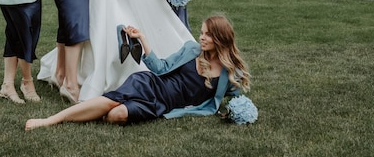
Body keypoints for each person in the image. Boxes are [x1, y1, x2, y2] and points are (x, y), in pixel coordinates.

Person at [25, 14, 251, 130]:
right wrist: (142, 39)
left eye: (208, 34)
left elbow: (235, 98)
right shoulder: (191, 50)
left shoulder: (229, 75)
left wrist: (236, 111)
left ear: (220, 38)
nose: (201, 37)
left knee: (116, 115)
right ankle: (49, 120)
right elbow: (160, 67)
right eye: (202, 32)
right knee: (111, 101)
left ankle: (93, 110)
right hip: (150, 84)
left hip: (162, 105)